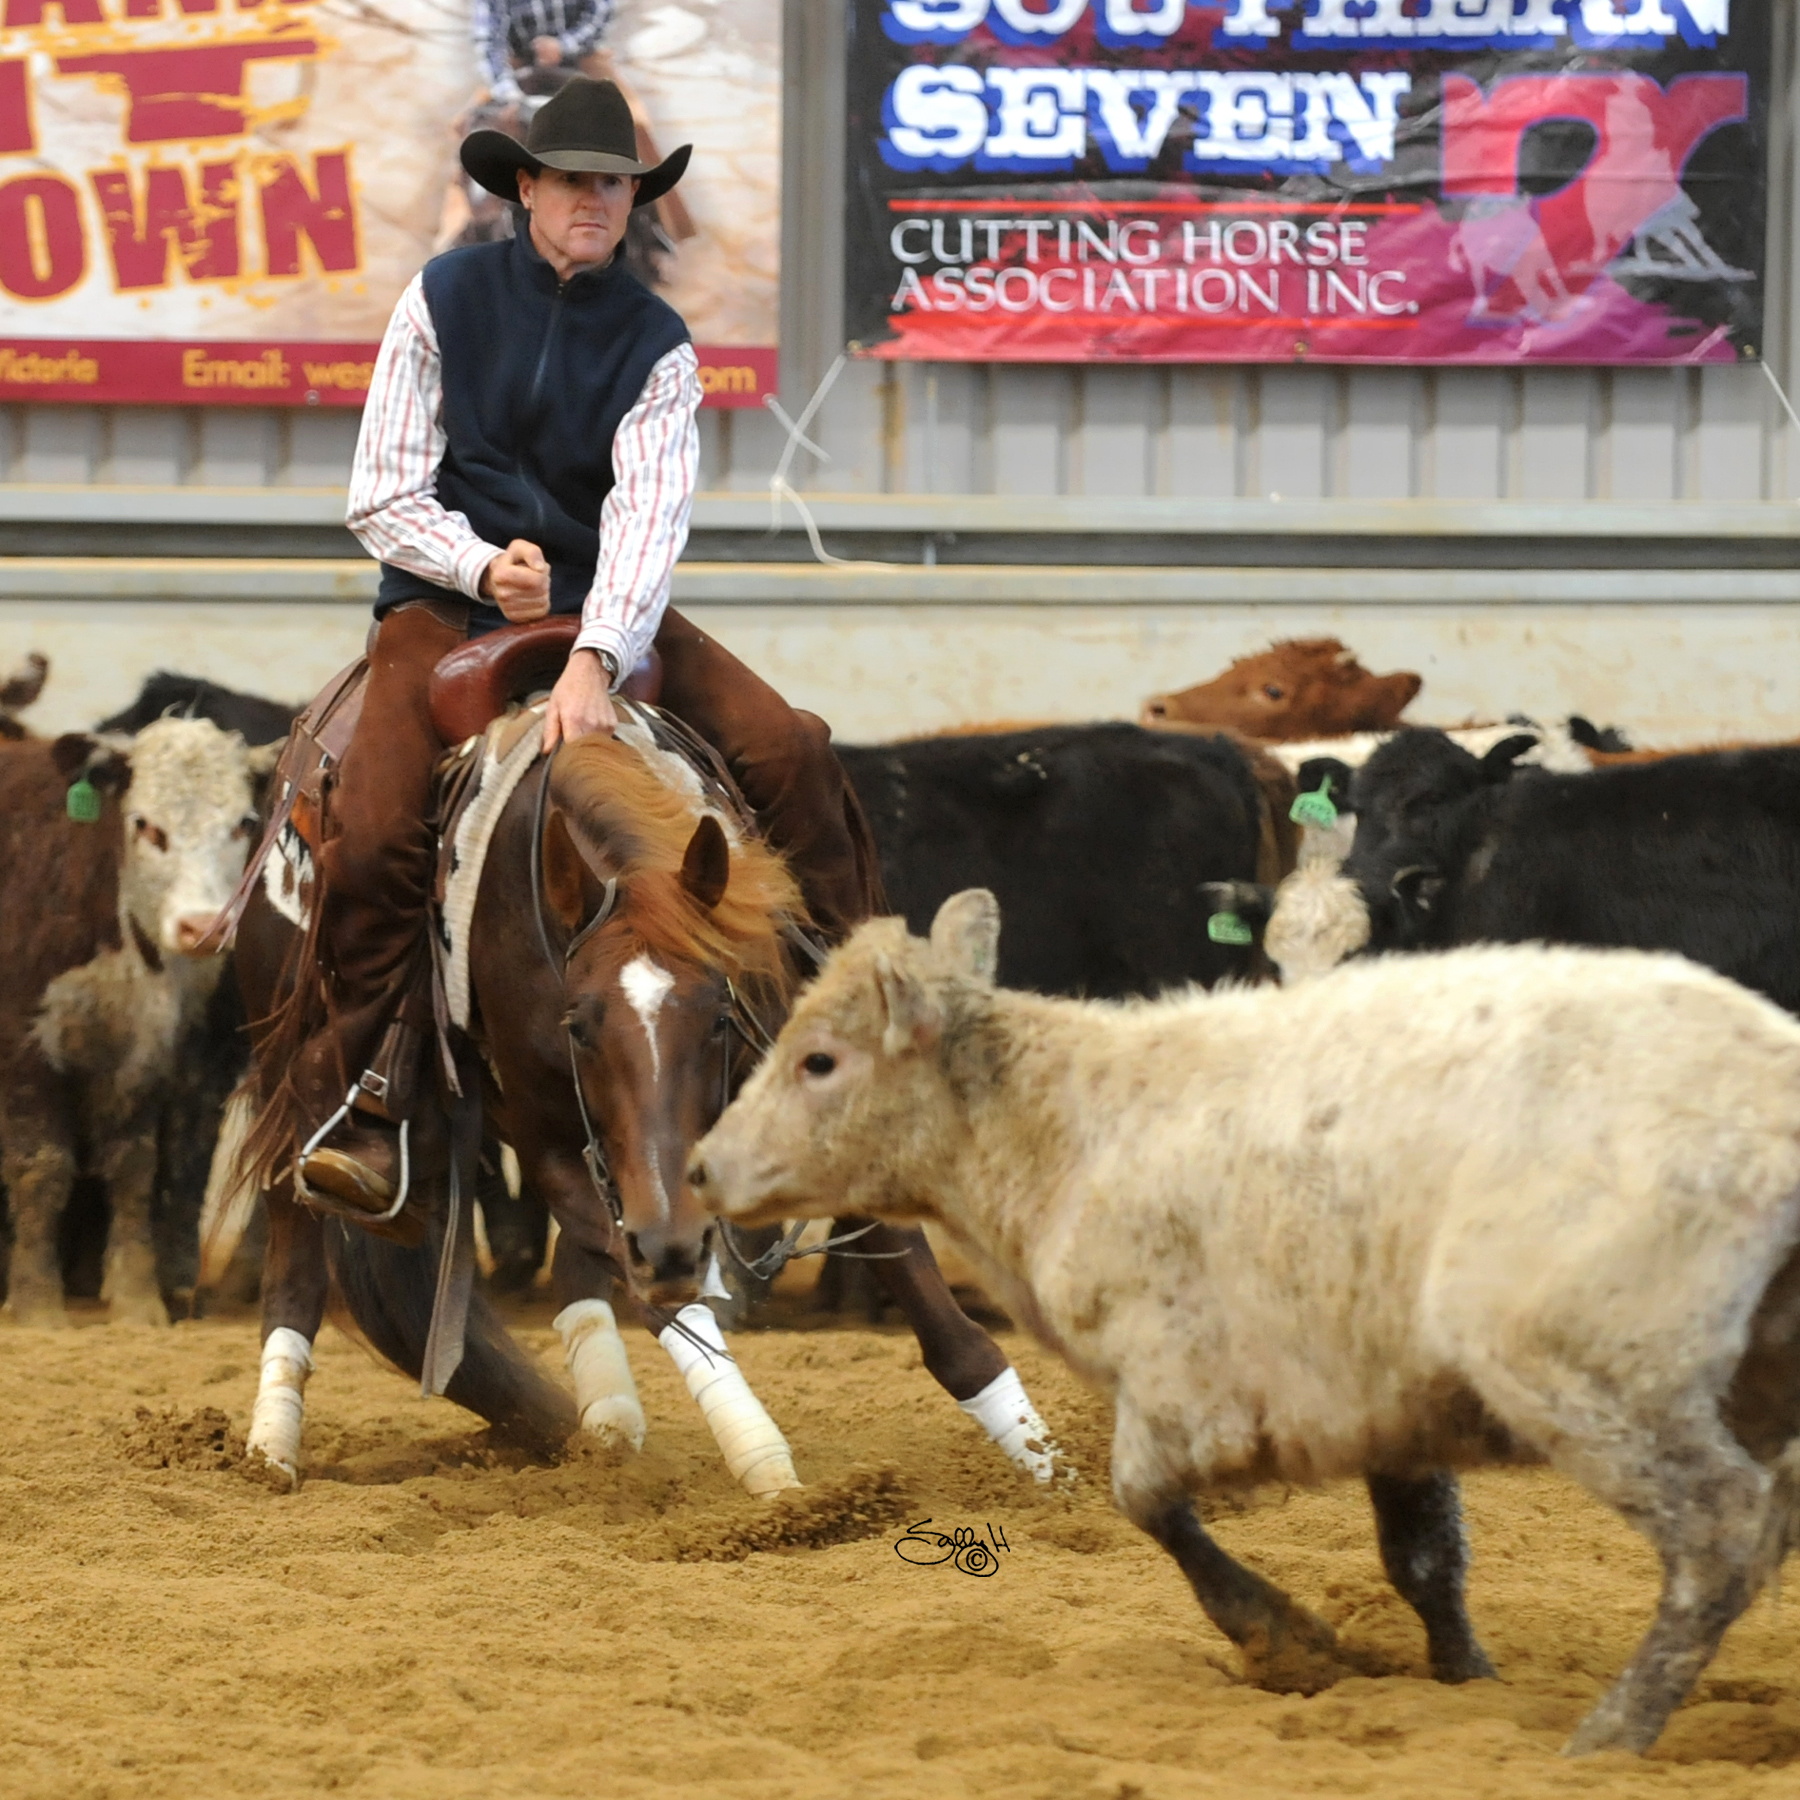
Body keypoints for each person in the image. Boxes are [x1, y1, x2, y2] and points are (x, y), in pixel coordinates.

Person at [295, 77, 876, 1216]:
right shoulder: (443, 297)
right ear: (526, 188)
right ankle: (373, 1092)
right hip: (443, 602)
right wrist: (477, 566)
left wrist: (595, 652)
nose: (595, 201)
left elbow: (650, 518)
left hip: (601, 599)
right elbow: (382, 492)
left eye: (615, 184)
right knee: (374, 829)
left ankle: (853, 1021)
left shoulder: (657, 342)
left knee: (790, 747)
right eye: (573, 181)